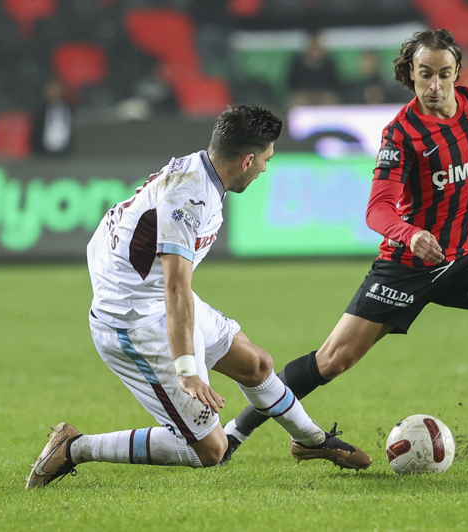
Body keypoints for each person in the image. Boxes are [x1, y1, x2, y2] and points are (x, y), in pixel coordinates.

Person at [221, 30, 468, 465]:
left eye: (444, 74)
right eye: (425, 74)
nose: (434, 85)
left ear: (457, 72)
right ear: (410, 75)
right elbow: (377, 209)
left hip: (464, 259)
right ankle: (234, 433)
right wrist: (410, 234)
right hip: (406, 267)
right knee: (332, 361)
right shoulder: (402, 133)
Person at [25, 105, 371, 489]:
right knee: (210, 450)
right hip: (134, 322)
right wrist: (187, 368)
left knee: (256, 364)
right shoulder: (188, 199)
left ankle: (311, 440)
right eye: (266, 160)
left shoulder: (201, 171)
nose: (265, 169)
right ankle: (75, 447)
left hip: (154, 298)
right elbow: (175, 287)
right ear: (247, 160)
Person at [286, 31, 342, 107]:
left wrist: (319, 94)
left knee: (331, 100)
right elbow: (291, 84)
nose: (315, 47)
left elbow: (335, 84)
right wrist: (308, 93)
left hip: (324, 95)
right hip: (303, 95)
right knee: (294, 101)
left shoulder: (329, 62)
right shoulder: (297, 62)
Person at [31, 77, 73, 156]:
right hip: (44, 156)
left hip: (67, 156)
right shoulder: (39, 113)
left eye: (56, 89)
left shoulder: (71, 111)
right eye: (50, 90)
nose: (53, 93)